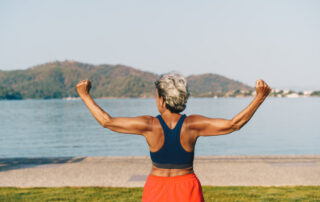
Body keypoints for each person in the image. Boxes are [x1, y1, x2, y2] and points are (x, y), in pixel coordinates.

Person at [76, 73, 271, 202]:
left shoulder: (149, 125)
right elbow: (234, 124)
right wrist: (259, 98)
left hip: (156, 188)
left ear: (161, 99)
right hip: (187, 189)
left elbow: (107, 121)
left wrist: (85, 95)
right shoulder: (192, 124)